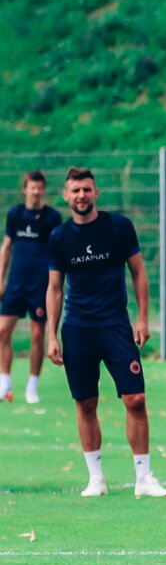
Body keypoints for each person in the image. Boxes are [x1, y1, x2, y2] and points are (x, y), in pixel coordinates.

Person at [46, 167, 166, 498]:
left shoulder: (119, 227)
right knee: (86, 402)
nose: (81, 195)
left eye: (87, 189)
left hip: (116, 325)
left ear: (96, 193)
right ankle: (96, 478)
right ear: (66, 196)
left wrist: (143, 319)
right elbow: (55, 288)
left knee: (136, 399)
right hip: (77, 329)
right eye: (75, 190)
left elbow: (138, 272)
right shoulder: (59, 237)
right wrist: (52, 335)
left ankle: (144, 478)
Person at [0, 170, 63, 404]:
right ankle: (5, 384)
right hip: (16, 284)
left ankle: (32, 387)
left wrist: (55, 284)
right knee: (2, 331)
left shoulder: (52, 218)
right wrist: (1, 279)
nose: (36, 192)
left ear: (43, 190)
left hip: (40, 286)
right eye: (32, 188)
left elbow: (58, 251)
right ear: (25, 189)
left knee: (37, 335)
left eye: (40, 188)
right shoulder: (15, 214)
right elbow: (6, 248)